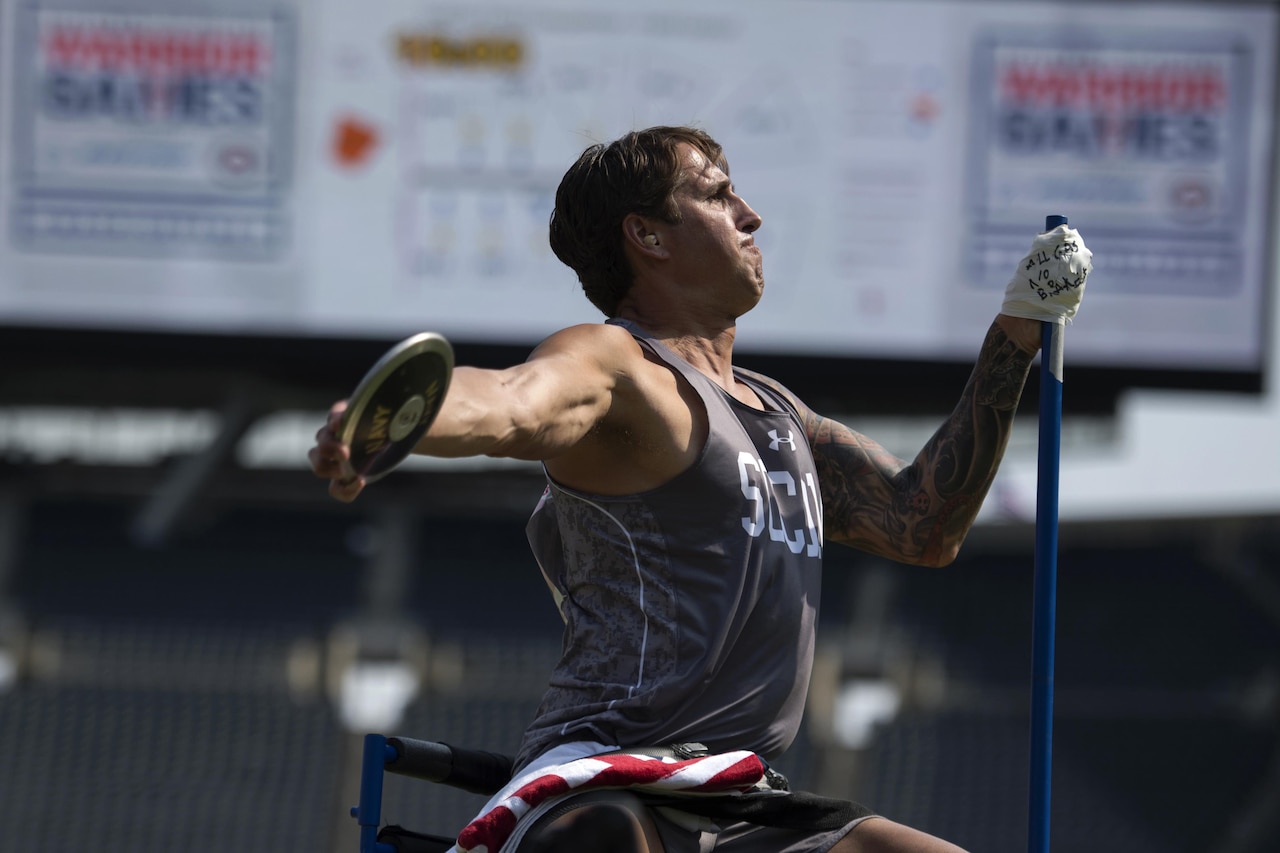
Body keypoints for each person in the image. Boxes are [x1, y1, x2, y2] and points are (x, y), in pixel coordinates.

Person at [310, 125, 1090, 853]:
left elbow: (923, 524)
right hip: (602, 785)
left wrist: (1014, 334)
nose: (750, 214)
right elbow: (514, 402)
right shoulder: (621, 367)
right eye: (717, 195)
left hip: (740, 794)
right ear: (646, 236)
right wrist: (396, 417)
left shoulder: (781, 414)